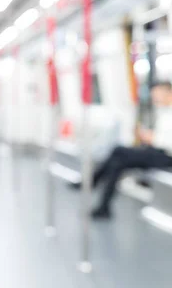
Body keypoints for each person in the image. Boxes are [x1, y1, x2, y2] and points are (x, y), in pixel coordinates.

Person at [73, 81, 172, 219]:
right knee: (117, 163)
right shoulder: (163, 112)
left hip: (165, 156)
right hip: (155, 151)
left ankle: (93, 180)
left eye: (157, 94)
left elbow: (166, 142)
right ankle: (104, 206)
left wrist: (150, 137)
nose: (155, 98)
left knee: (118, 151)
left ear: (168, 92)